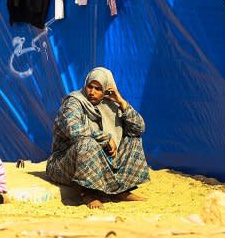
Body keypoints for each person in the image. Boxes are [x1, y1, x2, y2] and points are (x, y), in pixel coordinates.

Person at [46, 67, 149, 208]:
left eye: (98, 89)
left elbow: (139, 128)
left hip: (100, 163)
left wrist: (121, 102)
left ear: (106, 90)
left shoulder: (110, 105)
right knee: (87, 143)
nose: (92, 92)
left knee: (132, 137)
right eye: (90, 87)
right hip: (63, 164)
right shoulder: (74, 102)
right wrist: (105, 138)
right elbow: (74, 131)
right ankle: (89, 193)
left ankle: (119, 190)